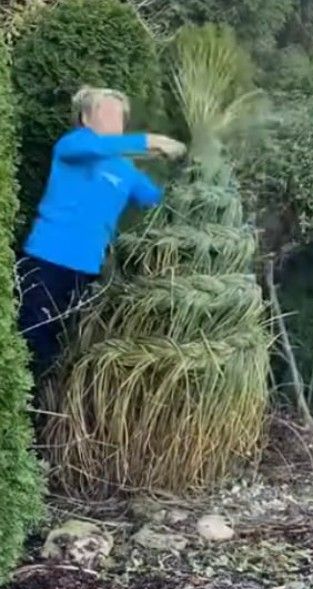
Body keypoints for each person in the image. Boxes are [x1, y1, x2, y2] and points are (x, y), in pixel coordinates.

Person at [15, 86, 186, 383]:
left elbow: (156, 199)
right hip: (47, 262)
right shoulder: (73, 146)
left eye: (119, 116)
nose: (113, 121)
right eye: (106, 113)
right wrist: (151, 142)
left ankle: (42, 407)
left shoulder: (125, 170)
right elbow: (98, 147)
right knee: (32, 340)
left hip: (87, 272)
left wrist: (187, 171)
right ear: (85, 118)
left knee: (62, 351)